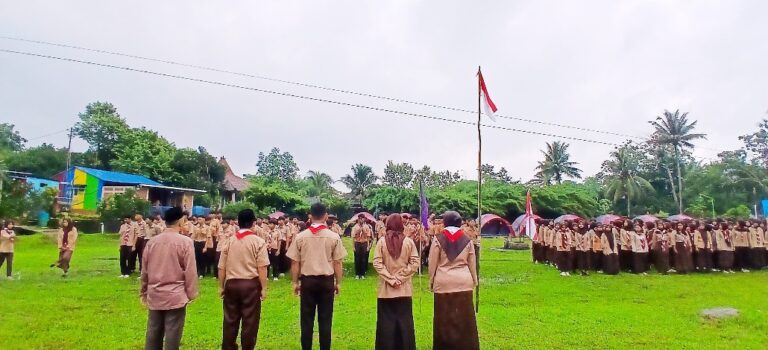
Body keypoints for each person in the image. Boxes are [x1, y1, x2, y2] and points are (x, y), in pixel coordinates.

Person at [286, 202, 347, 350]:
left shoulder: (301, 236)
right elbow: (338, 262)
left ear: (310, 216)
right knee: (326, 318)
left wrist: (295, 282)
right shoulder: (333, 237)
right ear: (326, 215)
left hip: (308, 281)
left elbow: (295, 262)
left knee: (306, 318)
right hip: (326, 281)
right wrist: (338, 282)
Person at [140, 207, 198, 350]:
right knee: (173, 334)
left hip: (155, 293)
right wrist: (191, 294)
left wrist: (143, 291)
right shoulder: (185, 242)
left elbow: (144, 270)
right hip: (175, 295)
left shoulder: (152, 242)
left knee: (153, 331)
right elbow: (190, 271)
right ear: (180, 220)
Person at [218, 209, 270, 350]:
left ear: (238, 223)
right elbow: (262, 267)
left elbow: (221, 267)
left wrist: (221, 286)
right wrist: (264, 288)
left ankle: (228, 347)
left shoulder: (229, 241)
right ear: (254, 223)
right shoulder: (258, 242)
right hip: (250, 285)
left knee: (230, 320)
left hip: (232, 284)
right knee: (250, 321)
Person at [428, 211, 479, 350]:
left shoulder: (438, 239)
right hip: (464, 281)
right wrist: (474, 280)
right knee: (464, 317)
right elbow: (472, 263)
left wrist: (431, 280)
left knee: (443, 317)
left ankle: (444, 346)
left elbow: (432, 263)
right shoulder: (467, 239)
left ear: (445, 221)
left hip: (443, 281)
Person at [372, 214, 419, 350]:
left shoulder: (381, 241)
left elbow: (377, 263)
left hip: (386, 291)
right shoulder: (408, 242)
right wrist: (401, 277)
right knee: (405, 323)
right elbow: (415, 262)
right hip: (403, 290)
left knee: (385, 323)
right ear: (401, 225)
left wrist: (391, 278)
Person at [351, 214, 373, 279]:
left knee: (363, 259)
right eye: (360, 218)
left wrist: (368, 246)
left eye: (362, 218)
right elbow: (353, 237)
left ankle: (363, 274)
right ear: (358, 219)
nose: (361, 220)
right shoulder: (355, 227)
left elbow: (368, 237)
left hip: (364, 243)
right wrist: (353, 246)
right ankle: (357, 274)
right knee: (357, 259)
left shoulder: (366, 227)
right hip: (357, 243)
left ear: (364, 219)